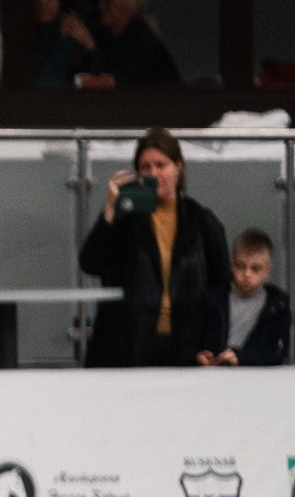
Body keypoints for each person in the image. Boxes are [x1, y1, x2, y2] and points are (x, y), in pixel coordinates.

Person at [79, 127, 228, 368]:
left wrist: (211, 346)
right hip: (127, 343)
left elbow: (219, 288)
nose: (153, 173)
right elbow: (90, 263)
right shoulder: (127, 219)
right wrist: (109, 210)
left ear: (178, 167)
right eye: (145, 167)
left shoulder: (202, 221)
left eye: (161, 165)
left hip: (186, 344)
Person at [197, 229, 290, 367]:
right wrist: (197, 355)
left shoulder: (278, 305)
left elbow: (277, 352)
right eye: (240, 266)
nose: (247, 274)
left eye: (255, 269)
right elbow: (186, 342)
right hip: (212, 376)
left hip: (256, 379)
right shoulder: (210, 299)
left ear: (267, 271)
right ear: (231, 265)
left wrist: (240, 357)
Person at [65, 0, 181, 85]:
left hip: (165, 106)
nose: (100, 6)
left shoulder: (139, 35)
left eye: (108, 3)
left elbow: (113, 80)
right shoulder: (107, 36)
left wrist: (89, 44)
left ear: (124, 8)